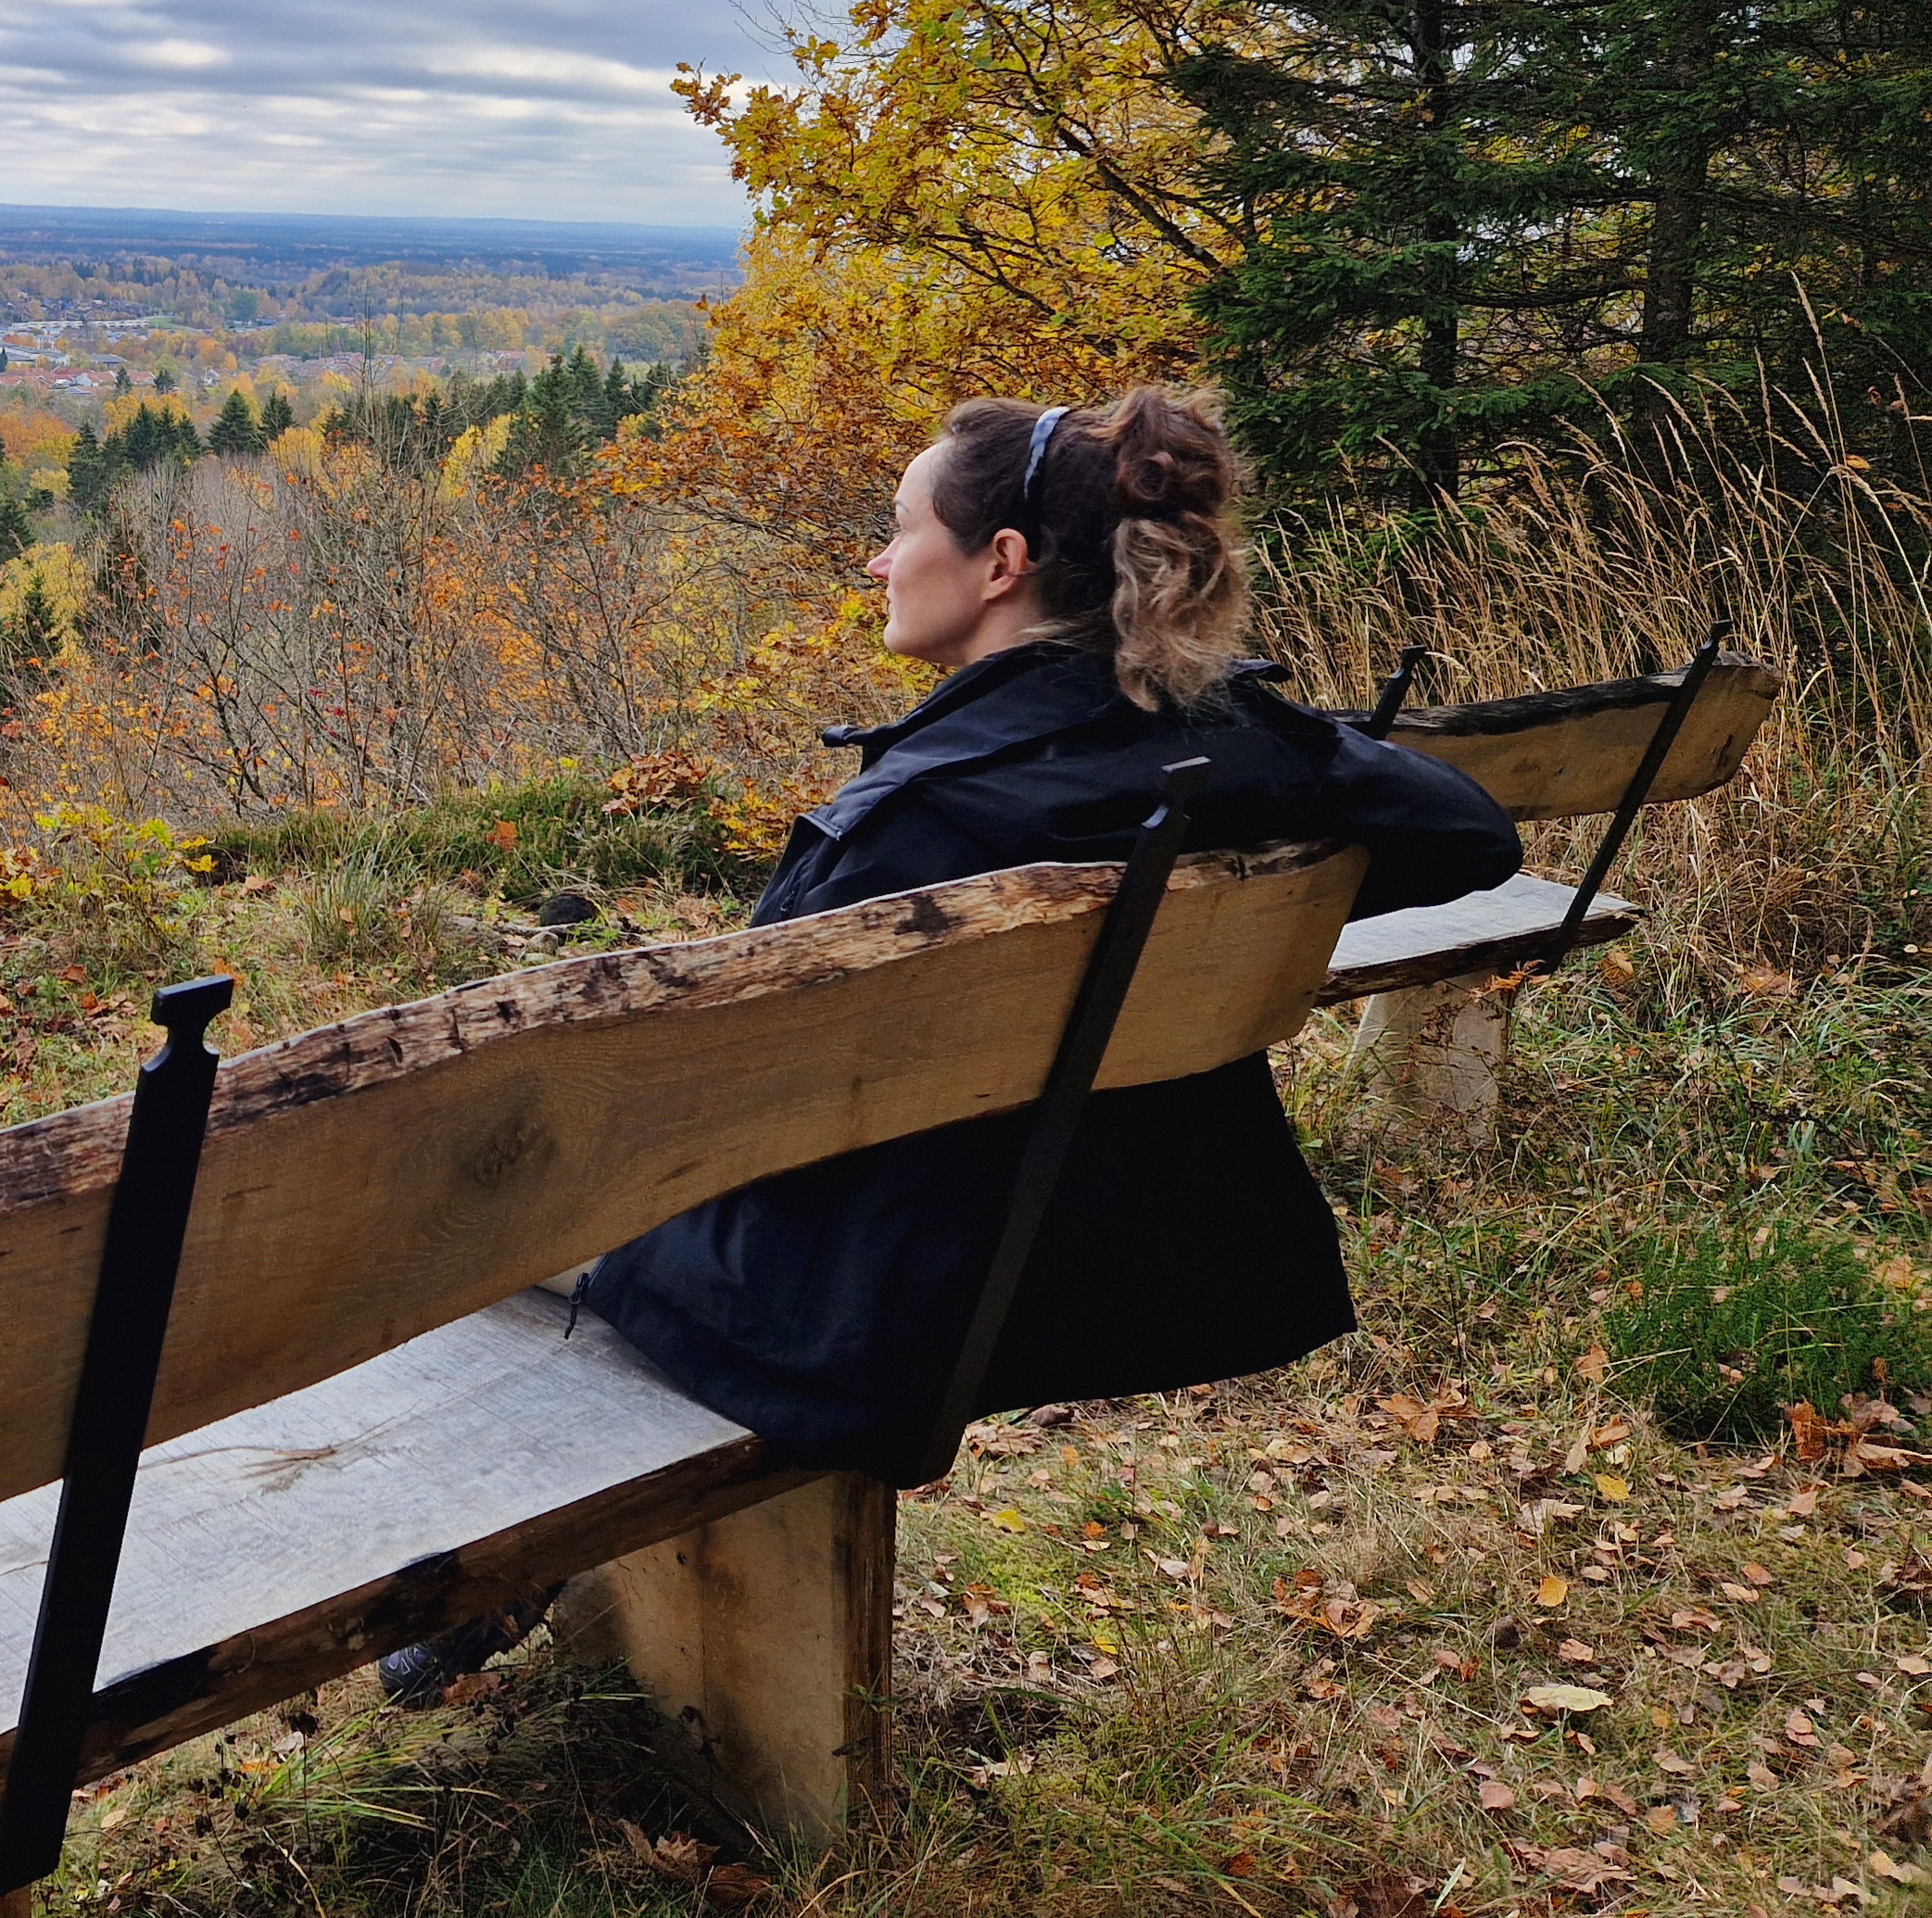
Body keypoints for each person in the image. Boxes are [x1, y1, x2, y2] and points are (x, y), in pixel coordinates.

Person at [381, 387, 1520, 1702]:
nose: (876, 558)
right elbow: (1473, 835)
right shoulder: (1233, 744)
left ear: (1000, 565)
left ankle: (500, 1572)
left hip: (869, 1316)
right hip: (1121, 1265)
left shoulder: (913, 828)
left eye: (898, 525)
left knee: (499, 1218)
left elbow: (699, 1107)